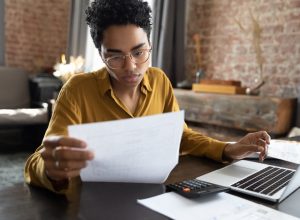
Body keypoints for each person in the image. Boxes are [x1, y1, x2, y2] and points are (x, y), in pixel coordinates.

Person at [24, 0, 270, 193]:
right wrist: (52, 170)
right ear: (100, 55)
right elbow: (39, 159)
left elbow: (181, 137)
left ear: (150, 44)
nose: (131, 67)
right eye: (115, 56)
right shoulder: (78, 90)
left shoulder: (160, 80)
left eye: (139, 52)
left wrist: (228, 149)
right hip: (91, 202)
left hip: (154, 195)